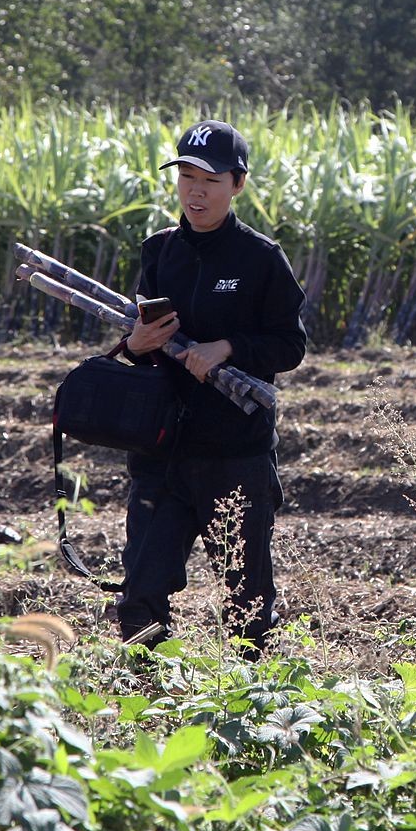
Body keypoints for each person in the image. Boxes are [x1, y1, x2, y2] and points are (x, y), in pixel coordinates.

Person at [111, 120, 307, 657]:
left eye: (210, 180)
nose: (195, 191)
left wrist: (229, 348)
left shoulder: (261, 259)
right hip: (160, 452)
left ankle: (252, 713)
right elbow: (138, 343)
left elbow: (290, 347)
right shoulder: (159, 251)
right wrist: (136, 342)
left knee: (246, 603)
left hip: (234, 454)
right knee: (141, 594)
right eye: (186, 176)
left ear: (238, 184)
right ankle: (145, 707)